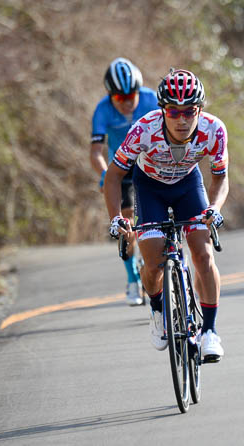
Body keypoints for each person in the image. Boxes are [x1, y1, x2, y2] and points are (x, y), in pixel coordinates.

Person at [103, 68, 228, 361]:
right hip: (149, 188)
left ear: (200, 109)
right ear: (162, 110)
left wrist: (214, 208)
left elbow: (221, 177)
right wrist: (116, 218)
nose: (182, 119)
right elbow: (112, 177)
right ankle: (158, 309)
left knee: (204, 254)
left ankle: (209, 331)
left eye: (189, 111)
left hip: (188, 184)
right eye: (174, 112)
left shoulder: (214, 130)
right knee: (153, 260)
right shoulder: (143, 130)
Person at [91, 57, 159, 305]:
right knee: (127, 220)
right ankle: (132, 277)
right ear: (111, 97)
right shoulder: (102, 110)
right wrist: (104, 175)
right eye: (120, 98)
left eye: (132, 95)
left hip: (153, 162)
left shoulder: (152, 99)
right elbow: (96, 152)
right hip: (122, 168)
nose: (128, 102)